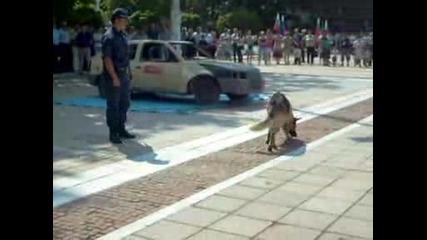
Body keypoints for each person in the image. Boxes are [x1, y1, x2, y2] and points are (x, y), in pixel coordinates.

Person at [102, 8, 136, 144]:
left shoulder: (122, 35)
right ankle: (113, 132)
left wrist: (128, 72)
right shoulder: (109, 36)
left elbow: (125, 57)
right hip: (113, 75)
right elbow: (107, 59)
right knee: (113, 105)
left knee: (125, 103)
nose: (126, 22)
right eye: (124, 20)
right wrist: (115, 77)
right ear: (117, 20)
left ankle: (121, 128)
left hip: (124, 74)